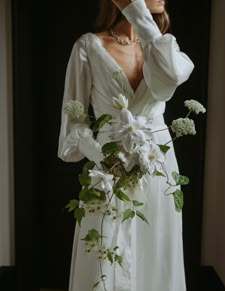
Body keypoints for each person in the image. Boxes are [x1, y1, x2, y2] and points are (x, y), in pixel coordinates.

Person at [58, 0, 194, 290]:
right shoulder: (88, 47)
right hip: (106, 173)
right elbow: (74, 125)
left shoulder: (161, 49)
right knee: (104, 253)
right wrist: (102, 157)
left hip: (158, 168)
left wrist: (139, 16)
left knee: (156, 252)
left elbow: (171, 76)